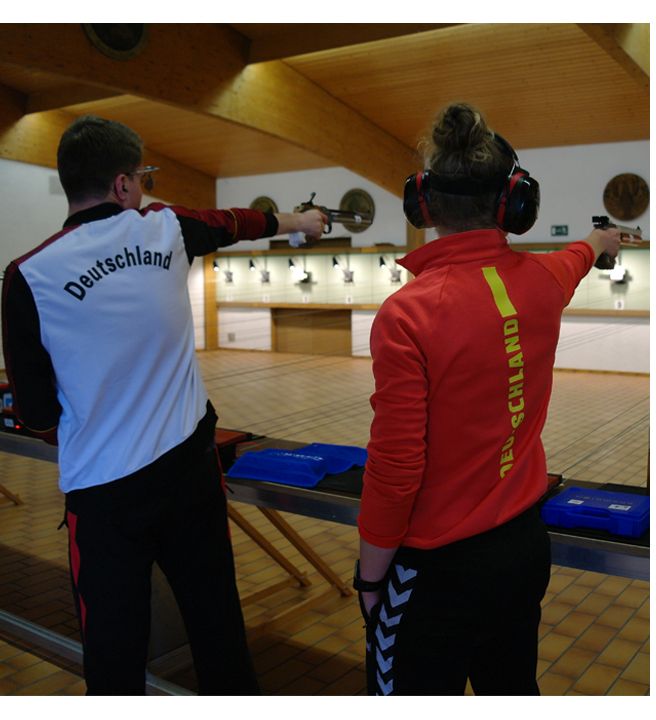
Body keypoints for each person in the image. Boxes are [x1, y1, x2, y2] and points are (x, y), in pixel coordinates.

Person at [1, 115, 327, 694]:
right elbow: (234, 223)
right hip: (189, 477)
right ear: (123, 184)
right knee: (218, 627)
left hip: (103, 496)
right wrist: (300, 221)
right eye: (144, 177)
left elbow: (36, 414)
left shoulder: (27, 275)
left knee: (112, 652)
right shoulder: (164, 229)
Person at [354, 103, 621, 696]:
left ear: (422, 204)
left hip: (435, 569)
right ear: (514, 205)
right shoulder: (543, 281)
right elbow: (576, 257)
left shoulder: (408, 313)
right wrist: (599, 240)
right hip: (522, 550)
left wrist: (370, 580)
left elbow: (397, 468)